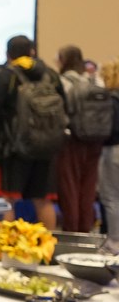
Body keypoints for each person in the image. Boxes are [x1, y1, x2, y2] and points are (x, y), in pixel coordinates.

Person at [0, 35, 66, 228]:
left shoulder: (6, 76)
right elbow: (65, 108)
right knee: (43, 200)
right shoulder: (51, 75)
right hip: (47, 147)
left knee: (7, 200)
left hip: (12, 148)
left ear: (7, 54)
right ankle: (47, 248)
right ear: (33, 52)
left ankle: (6, 250)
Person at [55, 44, 104, 233]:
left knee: (70, 189)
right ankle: (87, 231)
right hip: (96, 140)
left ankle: (72, 232)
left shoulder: (62, 82)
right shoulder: (95, 81)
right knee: (88, 189)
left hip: (71, 140)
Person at [96, 60, 119, 254]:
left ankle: (114, 242)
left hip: (113, 150)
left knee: (110, 197)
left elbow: (107, 129)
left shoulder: (110, 101)